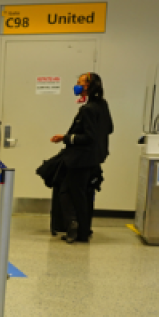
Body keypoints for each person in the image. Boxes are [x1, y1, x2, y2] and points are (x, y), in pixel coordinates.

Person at [50, 72, 113, 243]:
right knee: (83, 194)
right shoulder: (102, 105)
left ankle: (76, 228)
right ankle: (83, 230)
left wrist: (66, 138)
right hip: (94, 158)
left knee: (69, 192)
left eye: (80, 83)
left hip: (81, 160)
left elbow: (88, 137)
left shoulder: (88, 109)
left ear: (88, 86)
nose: (77, 86)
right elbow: (109, 129)